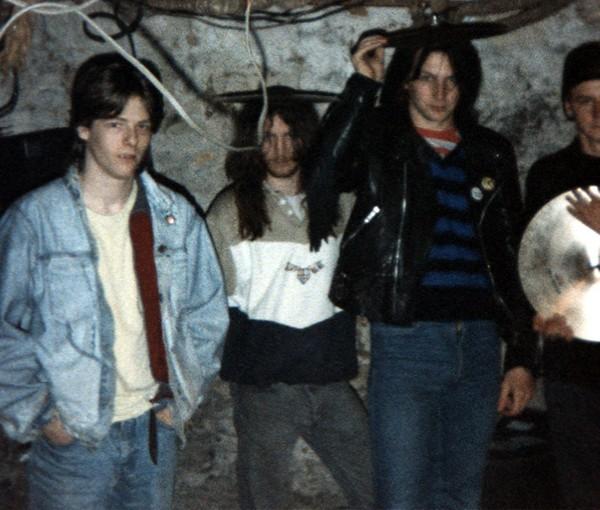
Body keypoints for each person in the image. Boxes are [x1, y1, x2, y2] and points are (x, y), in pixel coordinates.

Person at [306, 33, 537, 509]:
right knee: (403, 497)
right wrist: (361, 86)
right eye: (427, 78)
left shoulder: (490, 151)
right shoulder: (383, 142)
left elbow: (513, 255)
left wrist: (520, 356)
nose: (440, 92)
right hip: (407, 343)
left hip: (478, 344)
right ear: (406, 84)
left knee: (459, 496)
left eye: (451, 81)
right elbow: (324, 172)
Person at [0, 52, 229, 510]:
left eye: (142, 126)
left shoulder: (174, 217)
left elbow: (207, 312)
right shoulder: (36, 220)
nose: (131, 140)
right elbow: (6, 330)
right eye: (116, 124)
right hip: (75, 440)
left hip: (152, 433)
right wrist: (42, 414)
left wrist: (180, 400)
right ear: (84, 128)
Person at [207, 86, 372, 510]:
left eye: (290, 136)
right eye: (268, 137)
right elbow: (213, 302)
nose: (280, 150)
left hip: (329, 379)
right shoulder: (229, 212)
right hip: (265, 386)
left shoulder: (338, 204)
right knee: (264, 499)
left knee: (377, 485)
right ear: (251, 143)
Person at [524, 40, 600, 510]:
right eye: (586, 101)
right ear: (568, 106)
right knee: (581, 492)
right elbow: (535, 266)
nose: (598, 113)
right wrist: (542, 315)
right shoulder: (549, 175)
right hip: (572, 363)